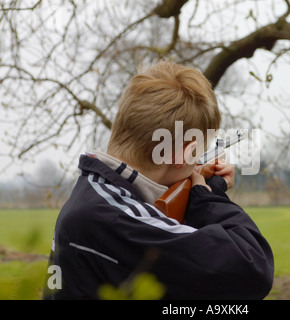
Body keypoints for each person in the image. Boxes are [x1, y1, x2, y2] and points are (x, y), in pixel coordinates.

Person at [43, 61, 274, 300]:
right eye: (198, 156)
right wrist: (208, 199)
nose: (197, 165)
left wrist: (202, 190)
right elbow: (253, 267)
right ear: (184, 153)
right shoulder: (113, 219)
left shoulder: (95, 194)